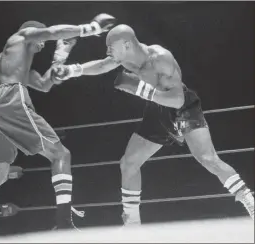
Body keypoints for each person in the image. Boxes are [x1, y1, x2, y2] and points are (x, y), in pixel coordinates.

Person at [52, 24, 254, 225]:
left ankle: (249, 201)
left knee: (208, 158)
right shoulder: (126, 61)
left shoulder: (160, 59)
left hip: (183, 109)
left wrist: (141, 91)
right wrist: (72, 70)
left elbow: (177, 100)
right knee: (129, 163)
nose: (107, 52)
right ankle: (132, 224)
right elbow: (103, 65)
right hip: (157, 111)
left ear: (127, 44)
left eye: (111, 47)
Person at [0, 14, 116, 239]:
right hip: (8, 98)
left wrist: (59, 59)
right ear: (33, 33)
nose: (42, 45)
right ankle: (64, 223)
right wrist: (91, 28)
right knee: (61, 154)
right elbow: (52, 33)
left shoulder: (14, 63)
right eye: (40, 40)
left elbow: (44, 85)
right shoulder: (22, 36)